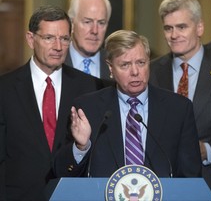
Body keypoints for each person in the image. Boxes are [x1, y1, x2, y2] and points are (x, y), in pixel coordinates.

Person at [53, 30, 202, 179]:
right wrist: (81, 147)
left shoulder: (178, 109)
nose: (135, 72)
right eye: (125, 65)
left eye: (141, 63)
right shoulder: (88, 109)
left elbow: (191, 176)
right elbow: (63, 172)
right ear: (111, 68)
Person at [0, 5, 105, 200]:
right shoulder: (4, 89)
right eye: (49, 38)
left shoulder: (90, 87)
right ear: (31, 39)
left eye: (64, 39)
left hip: (74, 195)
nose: (58, 47)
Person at [149, 0, 211, 199]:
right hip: (161, 184)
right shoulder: (151, 71)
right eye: (168, 28)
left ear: (199, 27)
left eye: (182, 27)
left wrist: (208, 150)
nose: (174, 35)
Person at [65, 0, 112, 79]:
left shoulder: (116, 65)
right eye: (87, 22)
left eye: (101, 23)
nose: (95, 31)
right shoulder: (54, 63)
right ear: (71, 23)